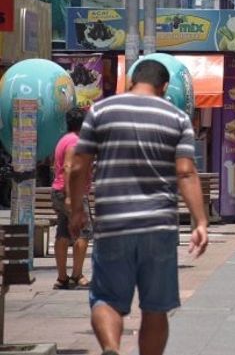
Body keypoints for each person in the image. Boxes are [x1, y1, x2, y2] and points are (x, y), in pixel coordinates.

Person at [68, 60, 208, 355]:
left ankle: (110, 348)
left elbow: (79, 165)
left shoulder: (101, 111)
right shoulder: (177, 118)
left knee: (106, 298)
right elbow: (185, 172)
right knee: (155, 308)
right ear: (165, 87)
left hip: (113, 224)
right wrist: (200, 222)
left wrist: (77, 209)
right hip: (159, 226)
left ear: (130, 80)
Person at [52, 107, 92, 290]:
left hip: (58, 190)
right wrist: (70, 197)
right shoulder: (75, 143)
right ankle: (76, 274)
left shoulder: (63, 140)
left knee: (63, 232)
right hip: (72, 193)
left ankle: (62, 277)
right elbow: (68, 167)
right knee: (83, 233)